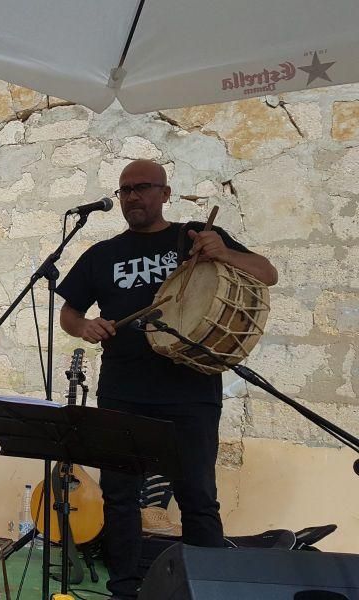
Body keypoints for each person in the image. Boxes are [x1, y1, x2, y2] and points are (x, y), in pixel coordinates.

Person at [56, 159, 277, 599]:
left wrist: (223, 253)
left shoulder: (193, 236)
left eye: (143, 187)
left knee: (197, 496)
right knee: (119, 498)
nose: (133, 197)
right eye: (125, 191)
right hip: (123, 389)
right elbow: (69, 312)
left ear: (165, 193)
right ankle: (124, 589)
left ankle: (208, 591)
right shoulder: (102, 255)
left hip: (189, 390)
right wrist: (84, 327)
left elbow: (268, 273)